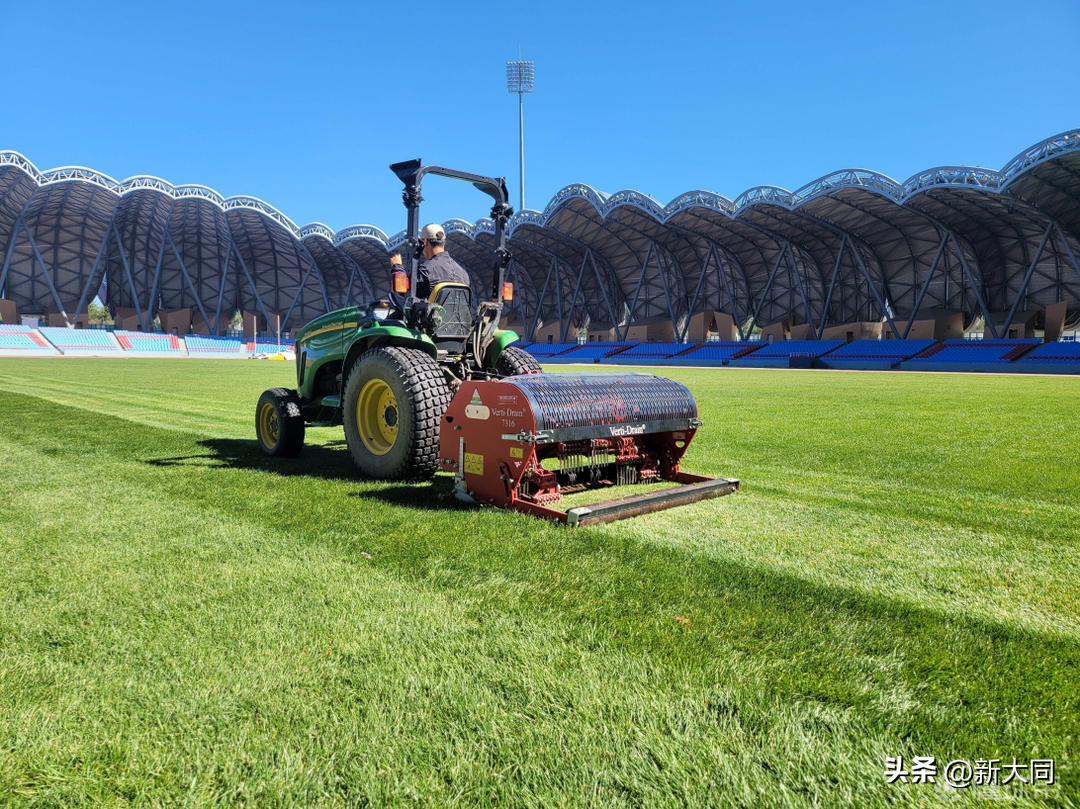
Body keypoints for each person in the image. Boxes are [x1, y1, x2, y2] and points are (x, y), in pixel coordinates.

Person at [389, 223, 470, 300]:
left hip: (433, 314)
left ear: (425, 242)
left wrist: (397, 267)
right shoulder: (463, 273)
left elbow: (403, 290)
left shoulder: (426, 270)